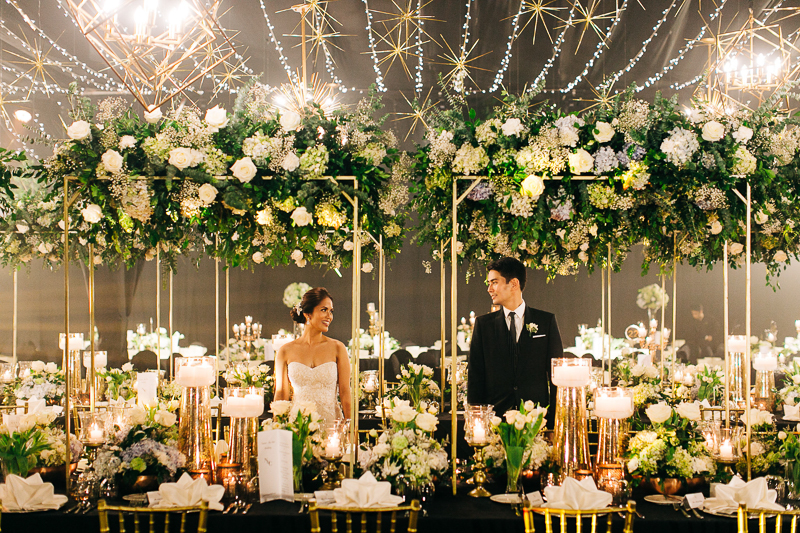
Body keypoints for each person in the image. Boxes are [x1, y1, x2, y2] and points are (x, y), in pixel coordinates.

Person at [467, 257, 563, 425]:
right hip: (496, 420)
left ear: (513, 284)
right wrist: (477, 421)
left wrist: (554, 420)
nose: (489, 289)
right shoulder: (483, 325)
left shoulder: (546, 321)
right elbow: (475, 378)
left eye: (494, 282)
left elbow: (558, 376)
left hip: (536, 420)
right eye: (489, 283)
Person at [274, 287, 351, 427]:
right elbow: (281, 396)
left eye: (331, 311)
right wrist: (276, 429)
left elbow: (345, 392)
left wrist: (351, 427)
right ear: (307, 314)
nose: (329, 316)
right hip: (297, 427)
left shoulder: (338, 348)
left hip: (331, 426)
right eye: (324, 310)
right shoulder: (285, 351)